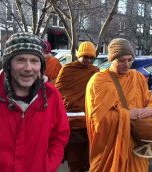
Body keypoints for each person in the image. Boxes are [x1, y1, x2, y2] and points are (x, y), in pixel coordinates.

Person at [0, 32, 70, 172]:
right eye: (21, 60)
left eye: (34, 61)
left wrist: (47, 166)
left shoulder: (51, 95)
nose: (28, 68)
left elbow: (60, 135)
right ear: (8, 64)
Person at [85, 38, 152, 171]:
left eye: (130, 60)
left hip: (136, 146)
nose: (126, 64)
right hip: (111, 148)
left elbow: (150, 100)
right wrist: (129, 114)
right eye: (121, 60)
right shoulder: (99, 81)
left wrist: (150, 109)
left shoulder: (137, 77)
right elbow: (98, 119)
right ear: (111, 60)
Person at [55, 41, 99, 172]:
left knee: (88, 156)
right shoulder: (67, 69)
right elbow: (59, 91)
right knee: (74, 157)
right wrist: (71, 103)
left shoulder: (95, 71)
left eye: (92, 58)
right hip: (71, 120)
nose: (89, 61)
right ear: (79, 55)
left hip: (89, 120)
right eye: (86, 57)